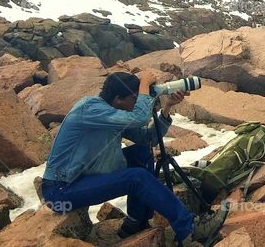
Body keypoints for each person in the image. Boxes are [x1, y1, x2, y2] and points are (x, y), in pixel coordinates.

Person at [41, 71, 226, 243]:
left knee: (141, 153)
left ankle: (135, 222)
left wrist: (167, 107)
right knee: (137, 177)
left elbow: (149, 138)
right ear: (118, 99)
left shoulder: (113, 112)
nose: (137, 103)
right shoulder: (90, 109)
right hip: (61, 190)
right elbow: (140, 118)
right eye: (134, 99)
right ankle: (191, 228)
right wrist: (144, 85)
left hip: (85, 175)